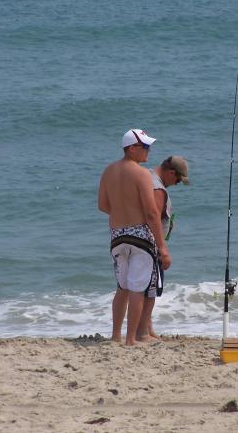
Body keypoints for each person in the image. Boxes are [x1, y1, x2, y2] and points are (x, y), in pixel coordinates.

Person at [98, 128, 171, 346]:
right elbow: (151, 213)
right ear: (131, 148)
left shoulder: (108, 171)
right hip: (139, 234)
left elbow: (103, 206)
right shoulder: (141, 174)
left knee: (122, 288)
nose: (149, 150)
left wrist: (122, 209)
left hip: (117, 234)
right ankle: (131, 339)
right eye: (145, 146)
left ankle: (115, 336)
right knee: (138, 288)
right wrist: (163, 247)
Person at [113, 156, 190, 341]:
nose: (177, 184)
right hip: (149, 243)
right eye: (178, 180)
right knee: (150, 288)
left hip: (127, 236)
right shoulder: (158, 188)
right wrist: (161, 248)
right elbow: (152, 215)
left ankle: (146, 327)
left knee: (130, 286)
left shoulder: (146, 176)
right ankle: (142, 333)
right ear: (171, 173)